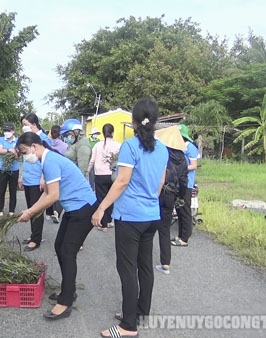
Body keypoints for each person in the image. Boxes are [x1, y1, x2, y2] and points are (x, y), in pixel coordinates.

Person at [92, 99, 168, 338]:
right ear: (155, 122)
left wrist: (101, 208)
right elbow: (160, 183)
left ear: (134, 121)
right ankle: (140, 312)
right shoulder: (163, 148)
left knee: (127, 268)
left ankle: (128, 326)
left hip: (130, 217)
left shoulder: (130, 146)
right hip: (151, 215)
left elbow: (122, 181)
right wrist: (149, 201)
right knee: (145, 266)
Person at [16, 132, 98, 320]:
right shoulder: (48, 160)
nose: (24, 156)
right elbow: (47, 194)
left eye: (24, 152)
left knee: (68, 252)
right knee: (59, 247)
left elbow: (53, 196)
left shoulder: (50, 161)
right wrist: (30, 211)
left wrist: (29, 212)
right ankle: (68, 290)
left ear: (34, 147)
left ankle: (65, 302)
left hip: (83, 209)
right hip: (73, 209)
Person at [153, 126, 188, 275]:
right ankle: (165, 263)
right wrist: (179, 197)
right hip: (172, 195)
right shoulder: (183, 160)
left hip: (159, 193)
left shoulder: (162, 155)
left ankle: (140, 260)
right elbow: (184, 181)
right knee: (164, 230)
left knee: (147, 227)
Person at [19, 113, 52, 251]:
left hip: (37, 180)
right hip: (28, 178)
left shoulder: (43, 139)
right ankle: (34, 235)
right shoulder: (27, 139)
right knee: (30, 208)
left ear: (34, 124)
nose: (24, 127)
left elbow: (48, 160)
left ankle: (36, 239)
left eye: (25, 124)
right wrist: (22, 176)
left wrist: (44, 177)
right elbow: (25, 159)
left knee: (37, 210)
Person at [87, 123, 121, 231]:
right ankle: (110, 220)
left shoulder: (97, 145)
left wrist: (87, 171)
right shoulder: (118, 145)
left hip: (100, 175)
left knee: (101, 198)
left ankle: (103, 224)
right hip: (113, 175)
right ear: (113, 132)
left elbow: (92, 160)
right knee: (111, 197)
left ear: (103, 133)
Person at [171, 124, 199, 247]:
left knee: (185, 210)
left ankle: (185, 237)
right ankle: (180, 234)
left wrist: (180, 168)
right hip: (178, 182)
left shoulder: (190, 147)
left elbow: (194, 165)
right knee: (179, 209)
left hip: (187, 183)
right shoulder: (179, 147)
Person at [0, 122, 19, 216]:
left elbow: (18, 155)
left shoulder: (18, 140)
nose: (6, 132)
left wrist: (15, 153)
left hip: (14, 169)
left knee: (13, 191)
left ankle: (11, 211)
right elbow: (0, 150)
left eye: (8, 130)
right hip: (2, 169)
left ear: (13, 131)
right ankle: (0, 210)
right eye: (5, 130)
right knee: (1, 190)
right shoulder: (0, 139)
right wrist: (10, 150)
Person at [45, 125, 68, 223]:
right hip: (61, 170)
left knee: (49, 191)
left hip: (48, 170)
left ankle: (49, 212)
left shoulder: (47, 143)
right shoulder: (65, 146)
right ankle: (56, 211)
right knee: (59, 191)